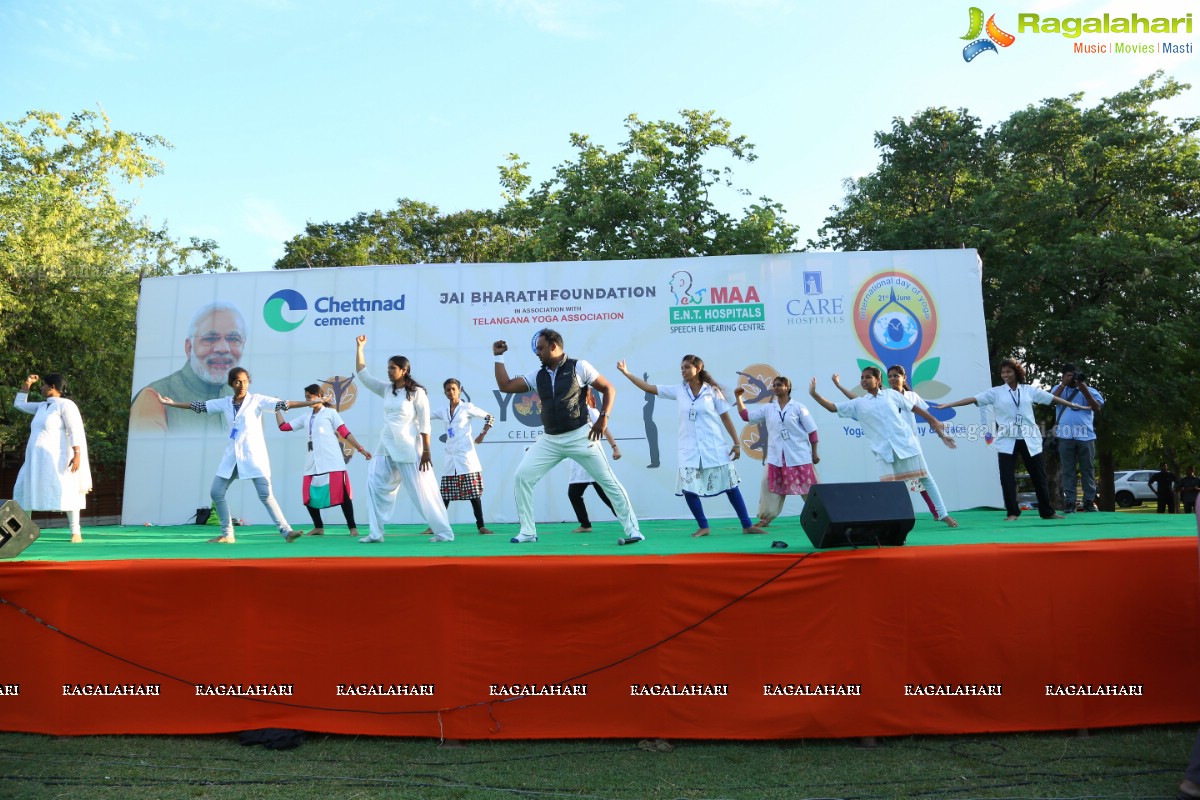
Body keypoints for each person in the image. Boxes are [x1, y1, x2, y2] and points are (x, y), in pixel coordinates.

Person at [493, 329, 642, 545]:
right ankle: (527, 532)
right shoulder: (538, 375)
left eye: (541, 348)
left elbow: (609, 388)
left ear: (554, 346)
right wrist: (498, 356)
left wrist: (604, 418)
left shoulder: (579, 366)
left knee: (608, 482)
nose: (537, 352)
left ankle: (634, 530)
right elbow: (505, 386)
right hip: (550, 439)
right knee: (522, 477)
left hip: (580, 435)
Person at [159, 367, 318, 543]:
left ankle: (286, 532)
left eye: (245, 381)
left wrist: (310, 403)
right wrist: (172, 404)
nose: (242, 385)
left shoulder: (257, 400)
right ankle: (227, 534)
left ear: (249, 382)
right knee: (216, 492)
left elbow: (284, 404)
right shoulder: (225, 403)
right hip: (232, 457)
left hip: (253, 457)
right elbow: (200, 406)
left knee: (266, 495)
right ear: (231, 383)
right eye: (237, 381)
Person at [617, 355, 765, 537]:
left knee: (730, 485)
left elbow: (725, 418)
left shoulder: (712, 392)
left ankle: (747, 525)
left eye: (687, 367)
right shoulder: (679, 390)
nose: (683, 370)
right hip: (689, 448)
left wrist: (736, 443)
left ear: (698, 367)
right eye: (682, 367)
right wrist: (626, 373)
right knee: (689, 488)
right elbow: (648, 387)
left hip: (714, 446)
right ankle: (704, 526)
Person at [809, 368, 959, 528]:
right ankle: (896, 523)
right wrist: (814, 394)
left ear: (878, 380)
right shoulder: (859, 403)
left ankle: (943, 514)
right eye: (862, 378)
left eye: (868, 377)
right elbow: (832, 407)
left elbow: (914, 408)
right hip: (883, 452)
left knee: (926, 479)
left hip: (907, 445)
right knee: (889, 489)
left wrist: (934, 421)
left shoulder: (891, 395)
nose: (864, 380)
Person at [940, 358, 1085, 521]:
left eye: (1008, 371)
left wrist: (1074, 405)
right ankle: (1012, 512)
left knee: (1039, 475)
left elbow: (1052, 399)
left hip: (1029, 438)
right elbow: (973, 399)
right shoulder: (996, 392)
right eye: (1003, 372)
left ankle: (1047, 511)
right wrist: (950, 404)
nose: (1005, 375)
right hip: (1007, 440)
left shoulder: (1029, 390)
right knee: (1006, 477)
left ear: (1016, 373)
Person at [355, 335, 455, 543]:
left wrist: (426, 451)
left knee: (422, 492)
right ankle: (376, 533)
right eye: (388, 367)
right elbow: (363, 376)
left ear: (404, 370)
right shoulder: (386, 389)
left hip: (409, 446)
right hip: (386, 444)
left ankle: (444, 533)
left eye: (392, 368)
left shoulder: (417, 393)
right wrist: (360, 348)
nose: (389, 371)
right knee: (373, 483)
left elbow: (425, 423)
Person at [833, 365, 944, 520]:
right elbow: (857, 401)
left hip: (909, 444)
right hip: (890, 447)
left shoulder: (911, 396)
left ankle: (937, 512)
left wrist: (940, 432)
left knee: (920, 479)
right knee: (901, 485)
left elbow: (924, 413)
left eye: (896, 376)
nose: (893, 378)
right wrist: (839, 386)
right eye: (890, 376)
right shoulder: (883, 396)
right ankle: (903, 517)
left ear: (904, 378)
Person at [130, 301, 246, 433]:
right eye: (210, 338)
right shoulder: (154, 399)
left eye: (233, 339)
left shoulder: (247, 402)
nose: (223, 348)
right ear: (189, 348)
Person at [275, 384, 372, 537]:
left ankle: (352, 527)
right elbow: (284, 427)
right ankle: (318, 527)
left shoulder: (330, 413)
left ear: (319, 396)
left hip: (331, 460)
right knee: (308, 495)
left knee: (342, 495)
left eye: (310, 396)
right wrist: (277, 409)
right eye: (306, 397)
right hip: (312, 462)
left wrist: (361, 449)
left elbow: (344, 432)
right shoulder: (306, 417)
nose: (307, 399)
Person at [12, 373, 93, 543]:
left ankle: (75, 532)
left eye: (43, 385)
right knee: (23, 488)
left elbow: (75, 430)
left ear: (52, 387)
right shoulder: (42, 406)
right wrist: (27, 383)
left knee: (67, 490)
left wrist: (77, 454)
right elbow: (19, 404)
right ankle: (25, 531)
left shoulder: (66, 405)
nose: (41, 388)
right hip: (35, 459)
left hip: (58, 458)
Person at [733, 376, 819, 527]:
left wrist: (815, 453)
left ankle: (821, 515)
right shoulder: (768, 408)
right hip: (776, 457)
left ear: (787, 387)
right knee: (767, 485)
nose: (775, 387)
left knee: (810, 489)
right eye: (774, 385)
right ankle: (765, 519)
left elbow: (812, 432)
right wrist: (738, 397)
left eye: (779, 385)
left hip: (799, 455)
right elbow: (746, 417)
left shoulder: (799, 407)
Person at [427, 378, 496, 536]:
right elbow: (425, 416)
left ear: (459, 390)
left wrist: (482, 435)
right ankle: (435, 526)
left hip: (466, 456)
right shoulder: (443, 410)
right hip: (450, 457)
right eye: (447, 390)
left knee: (473, 494)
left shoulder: (467, 407)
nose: (450, 392)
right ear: (444, 392)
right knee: (445, 495)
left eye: (453, 389)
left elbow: (489, 417)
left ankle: (481, 526)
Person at [566, 389, 622, 532]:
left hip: (593, 458)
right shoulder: (570, 413)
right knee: (574, 494)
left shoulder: (591, 411)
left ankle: (626, 519)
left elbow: (605, 430)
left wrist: (615, 448)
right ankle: (585, 525)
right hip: (579, 463)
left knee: (606, 496)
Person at [1051, 363, 1104, 513]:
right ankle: (1070, 502)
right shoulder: (1058, 389)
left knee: (1087, 469)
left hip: (1086, 436)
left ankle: (1089, 501)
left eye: (1073, 375)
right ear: (1062, 376)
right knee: (1068, 470)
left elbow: (1097, 408)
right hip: (1065, 436)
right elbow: (1051, 400)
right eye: (1068, 375)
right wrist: (1063, 384)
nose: (1072, 378)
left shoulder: (1090, 390)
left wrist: (1084, 388)